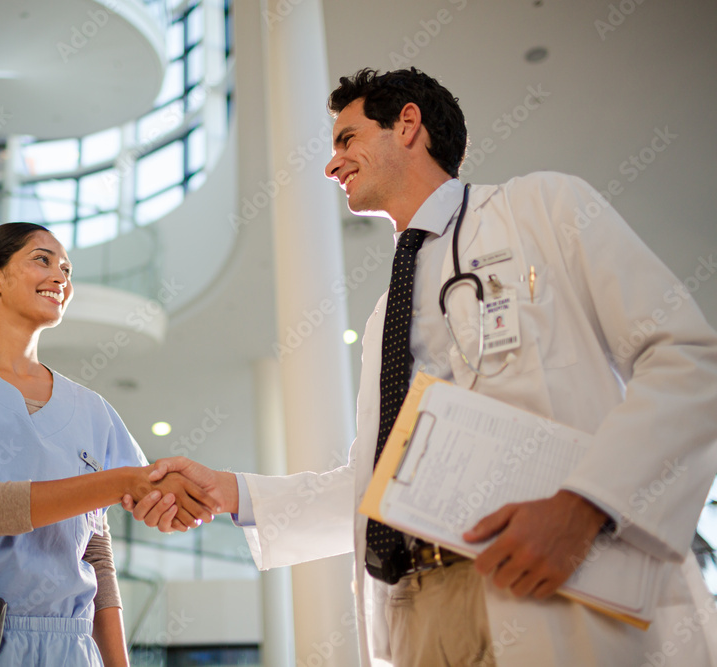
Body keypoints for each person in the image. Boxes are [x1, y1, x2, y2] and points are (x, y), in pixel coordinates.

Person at [125, 68, 717, 665]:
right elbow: (382, 480)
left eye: (348, 139)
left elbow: (687, 358)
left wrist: (586, 505)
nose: (332, 165)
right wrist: (232, 493)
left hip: (553, 579)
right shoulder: (387, 315)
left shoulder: (542, 209)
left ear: (407, 124)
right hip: (419, 609)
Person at [0, 222, 218, 666]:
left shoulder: (93, 410)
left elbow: (94, 553)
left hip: (67, 648)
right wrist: (124, 481)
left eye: (67, 269)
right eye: (42, 260)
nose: (60, 277)